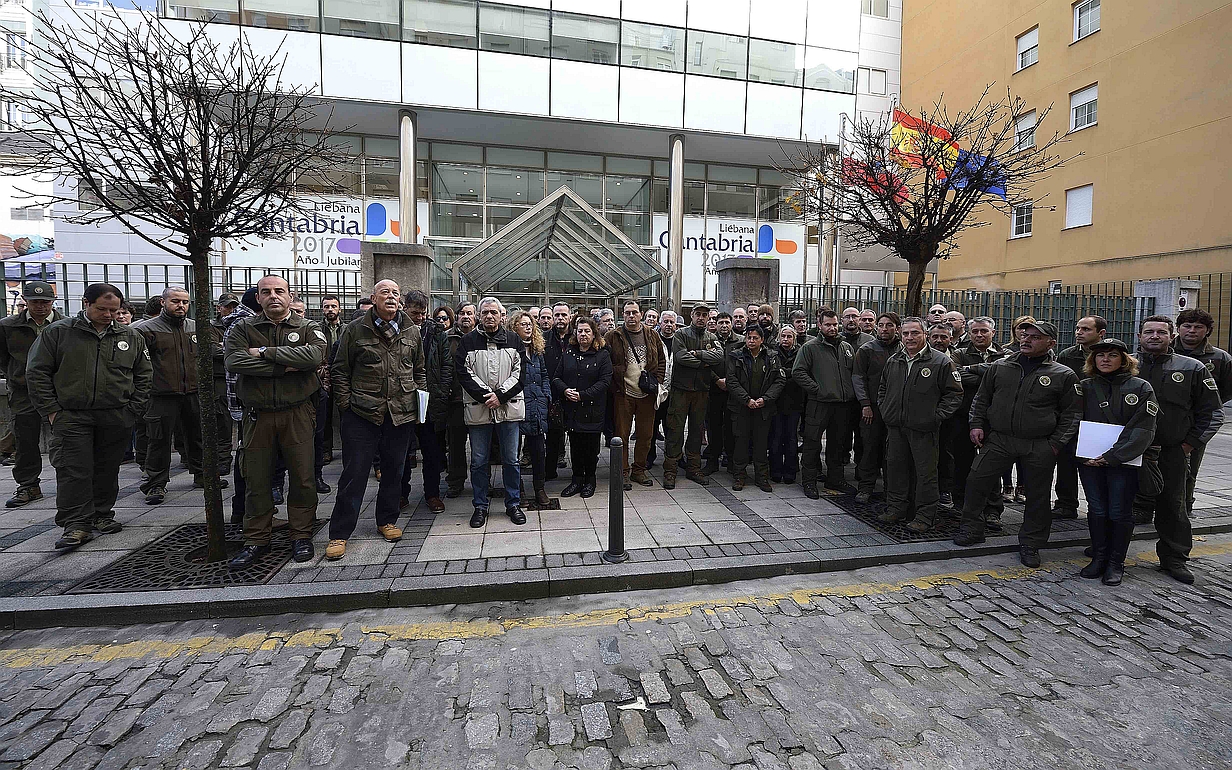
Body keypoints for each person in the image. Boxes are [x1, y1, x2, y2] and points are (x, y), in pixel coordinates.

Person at [26, 283, 151, 550]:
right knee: (74, 469)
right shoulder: (58, 333)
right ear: (86, 303)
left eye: (114, 310)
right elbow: (37, 373)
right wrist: (51, 411)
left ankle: (102, 514)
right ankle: (76, 524)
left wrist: (133, 409)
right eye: (102, 309)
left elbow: (144, 375)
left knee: (107, 468)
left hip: (116, 415)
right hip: (71, 415)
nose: (108, 315)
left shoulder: (130, 336)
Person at [953, 320, 1082, 567]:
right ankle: (972, 529)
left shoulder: (1063, 374)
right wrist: (976, 424)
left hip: (1039, 444)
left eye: (1035, 337)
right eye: (1025, 335)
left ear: (1050, 344)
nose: (1026, 339)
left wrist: (1055, 444)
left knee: (1037, 495)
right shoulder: (1000, 367)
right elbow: (982, 399)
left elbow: (1072, 414)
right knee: (977, 481)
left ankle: (1031, 542)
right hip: (999, 439)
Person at [224, 275, 326, 568]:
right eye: (265, 292)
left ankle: (301, 535)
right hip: (257, 415)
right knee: (256, 477)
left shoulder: (308, 326)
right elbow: (234, 361)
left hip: (298, 413)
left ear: (289, 295)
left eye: (279, 291)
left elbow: (314, 356)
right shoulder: (243, 328)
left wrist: (265, 354)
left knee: (303, 477)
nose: (273, 296)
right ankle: (256, 539)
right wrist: (285, 367)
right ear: (258, 298)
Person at [324, 280, 424, 561]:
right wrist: (346, 406)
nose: (391, 297)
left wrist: (418, 403)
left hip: (400, 413)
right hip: (362, 414)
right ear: (373, 298)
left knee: (394, 471)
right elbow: (340, 370)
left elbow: (420, 370)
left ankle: (387, 520)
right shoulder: (355, 329)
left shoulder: (411, 331)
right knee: (353, 475)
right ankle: (339, 533)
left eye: (395, 293)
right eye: (385, 292)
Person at [1131, 315, 1224, 584]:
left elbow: (1213, 413)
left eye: (1161, 332)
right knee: (1120, 502)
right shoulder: (1126, 365)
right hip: (1128, 450)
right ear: (1139, 337)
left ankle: (1174, 558)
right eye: (1149, 332)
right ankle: (1110, 552)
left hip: (1170, 451)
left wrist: (1189, 444)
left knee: (1173, 506)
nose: (1155, 336)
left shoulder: (1192, 367)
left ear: (1171, 336)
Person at [1075, 338, 1158, 586]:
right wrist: (1080, 454)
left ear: (1124, 359)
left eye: (1112, 355)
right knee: (1097, 509)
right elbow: (1071, 419)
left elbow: (1143, 428)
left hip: (1123, 462)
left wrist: (1113, 456)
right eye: (1100, 355)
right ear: (1093, 360)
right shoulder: (1085, 386)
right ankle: (1099, 558)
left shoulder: (1141, 387)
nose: (1105, 359)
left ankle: (1115, 563)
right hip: (1089, 462)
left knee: (1119, 511)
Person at [876, 317, 964, 532]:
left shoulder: (941, 361)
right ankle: (896, 508)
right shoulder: (894, 360)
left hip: (924, 429)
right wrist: (886, 410)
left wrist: (935, 417)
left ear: (925, 334)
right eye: (905, 333)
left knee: (926, 474)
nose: (909, 337)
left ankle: (925, 516)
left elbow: (954, 394)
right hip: (896, 427)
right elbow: (883, 389)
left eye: (914, 333)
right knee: (896, 468)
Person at [457, 297, 527, 528]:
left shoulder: (514, 339)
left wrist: (501, 396)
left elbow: (520, 373)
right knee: (478, 461)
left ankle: (513, 504)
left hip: (508, 408)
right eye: (485, 312)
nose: (489, 316)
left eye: (493, 312)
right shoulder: (467, 341)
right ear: (478, 315)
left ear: (501, 315)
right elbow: (464, 373)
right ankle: (480, 506)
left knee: (511, 460)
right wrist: (487, 396)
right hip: (479, 408)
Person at [133, 286, 205, 505]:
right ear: (163, 303)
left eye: (185, 302)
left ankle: (203, 475)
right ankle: (155, 484)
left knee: (198, 437)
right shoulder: (146, 329)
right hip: (160, 394)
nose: (181, 306)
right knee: (158, 440)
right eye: (175, 301)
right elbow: (137, 364)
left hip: (193, 392)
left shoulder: (196, 328)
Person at [0, 281, 64, 508]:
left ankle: (70, 484)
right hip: (23, 391)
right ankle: (28, 485)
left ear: (53, 302)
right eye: (35, 302)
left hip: (60, 389)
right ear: (25, 302)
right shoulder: (8, 326)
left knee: (67, 438)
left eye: (46, 302)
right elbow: (3, 357)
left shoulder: (65, 325)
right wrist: (15, 375)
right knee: (25, 439)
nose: (41, 307)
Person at [793, 308, 858, 498]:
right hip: (819, 404)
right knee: (812, 444)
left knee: (837, 445)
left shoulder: (846, 347)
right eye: (828, 324)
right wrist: (817, 389)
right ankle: (809, 481)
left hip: (842, 405)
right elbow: (798, 372)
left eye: (834, 324)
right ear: (819, 326)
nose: (832, 328)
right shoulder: (810, 348)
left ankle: (835, 478)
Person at [1174, 308, 1232, 515]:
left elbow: (1226, 390)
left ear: (1207, 331)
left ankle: (1185, 507)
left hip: (1196, 424)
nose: (1192, 331)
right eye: (1187, 326)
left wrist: (1205, 406)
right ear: (1178, 328)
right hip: (1164, 420)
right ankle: (1146, 506)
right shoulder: (1165, 350)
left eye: (1198, 327)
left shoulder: (1220, 358)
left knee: (1189, 469)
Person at [950, 317, 1008, 521]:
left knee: (992, 465)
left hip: (994, 418)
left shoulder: (1005, 354)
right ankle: (960, 504)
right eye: (975, 331)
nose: (979, 335)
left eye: (984, 331)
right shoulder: (960, 353)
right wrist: (989, 376)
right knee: (962, 463)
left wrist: (973, 372)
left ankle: (993, 510)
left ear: (993, 332)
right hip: (963, 416)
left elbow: (1006, 377)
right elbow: (955, 376)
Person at [606, 300, 665, 490]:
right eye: (627, 313)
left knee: (645, 435)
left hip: (646, 394)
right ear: (623, 315)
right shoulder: (613, 336)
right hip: (623, 393)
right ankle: (622, 472)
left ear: (641, 314)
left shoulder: (652, 334)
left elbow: (662, 360)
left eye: (634, 312)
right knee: (621, 436)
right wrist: (616, 377)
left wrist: (657, 381)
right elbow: (605, 362)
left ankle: (639, 470)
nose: (631, 316)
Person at [1053, 315, 1107, 520]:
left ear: (1100, 333)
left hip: (1097, 419)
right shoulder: (1067, 355)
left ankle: (1099, 506)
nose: (1079, 333)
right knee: (1065, 463)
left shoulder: (1109, 354)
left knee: (1095, 465)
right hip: (1070, 416)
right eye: (1078, 328)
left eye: (1085, 329)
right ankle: (1066, 504)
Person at [663, 304, 723, 489]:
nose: (701, 318)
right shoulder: (681, 334)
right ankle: (670, 470)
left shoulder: (712, 337)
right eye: (698, 314)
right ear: (692, 315)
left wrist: (697, 354)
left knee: (697, 431)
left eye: (705, 315)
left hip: (702, 391)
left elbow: (719, 356)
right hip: (681, 390)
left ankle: (693, 468)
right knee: (675, 429)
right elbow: (681, 357)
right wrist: (704, 362)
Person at [553, 316, 612, 498]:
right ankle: (577, 480)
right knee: (576, 447)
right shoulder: (569, 353)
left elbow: (605, 381)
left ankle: (590, 481)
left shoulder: (602, 354)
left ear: (594, 334)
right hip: (573, 410)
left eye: (587, 331)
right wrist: (565, 391)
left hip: (593, 410)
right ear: (575, 333)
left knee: (591, 449)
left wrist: (582, 395)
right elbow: (556, 377)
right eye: (580, 331)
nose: (583, 334)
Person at [726, 325, 784, 492]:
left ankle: (762, 477)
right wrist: (746, 400)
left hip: (763, 408)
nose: (751, 341)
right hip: (741, 407)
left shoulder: (772, 356)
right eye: (749, 337)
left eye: (755, 338)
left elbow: (779, 381)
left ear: (762, 340)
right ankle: (739, 476)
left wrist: (765, 400)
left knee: (761, 443)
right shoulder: (736, 356)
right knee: (741, 443)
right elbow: (731, 380)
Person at [405, 290, 448, 513]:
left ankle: (432, 494)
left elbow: (446, 364)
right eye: (415, 313)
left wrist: (440, 391)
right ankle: (401, 494)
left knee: (431, 452)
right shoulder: (396, 330)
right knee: (402, 452)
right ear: (405, 309)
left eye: (423, 313)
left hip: (430, 400)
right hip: (402, 400)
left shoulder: (436, 331)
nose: (420, 317)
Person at [851, 312, 902, 503]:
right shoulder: (866, 350)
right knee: (870, 448)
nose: (884, 329)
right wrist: (865, 404)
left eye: (889, 325)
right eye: (881, 325)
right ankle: (865, 487)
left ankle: (892, 490)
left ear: (897, 327)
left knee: (894, 452)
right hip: (872, 407)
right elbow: (858, 378)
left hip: (896, 409)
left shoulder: (903, 349)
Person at [510, 310, 551, 507]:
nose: (528, 326)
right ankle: (519, 491)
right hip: (516, 407)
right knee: (513, 453)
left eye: (530, 324)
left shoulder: (536, 351)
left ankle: (539, 488)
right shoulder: (510, 350)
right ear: (514, 327)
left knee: (538, 451)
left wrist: (545, 395)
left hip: (536, 407)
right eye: (523, 323)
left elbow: (544, 375)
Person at [702, 312, 743, 477]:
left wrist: (731, 382)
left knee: (732, 428)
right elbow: (704, 363)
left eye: (727, 322)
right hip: (713, 390)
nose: (724, 325)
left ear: (731, 323)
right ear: (715, 324)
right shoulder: (709, 340)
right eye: (721, 322)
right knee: (713, 426)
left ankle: (732, 461)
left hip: (733, 392)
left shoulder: (740, 342)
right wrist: (717, 380)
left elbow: (743, 365)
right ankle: (712, 461)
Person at [444, 302, 477, 497]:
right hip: (455, 399)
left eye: (469, 313)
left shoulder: (482, 338)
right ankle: (455, 482)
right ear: (456, 316)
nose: (466, 316)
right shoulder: (447, 339)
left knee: (480, 445)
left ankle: (481, 482)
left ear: (475, 317)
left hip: (478, 399)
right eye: (462, 313)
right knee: (456, 444)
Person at [769, 326, 803, 484]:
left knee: (791, 437)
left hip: (795, 401)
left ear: (794, 338)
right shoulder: (773, 353)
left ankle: (790, 470)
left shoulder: (800, 352)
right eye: (783, 336)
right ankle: (775, 469)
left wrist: (785, 373)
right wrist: (788, 373)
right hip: (776, 401)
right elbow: (773, 373)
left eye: (789, 336)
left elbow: (800, 373)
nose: (786, 339)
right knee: (776, 437)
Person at [841, 307, 873, 476]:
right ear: (842, 320)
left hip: (863, 396)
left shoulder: (869, 340)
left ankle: (861, 468)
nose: (851, 320)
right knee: (842, 433)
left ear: (860, 319)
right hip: (843, 396)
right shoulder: (836, 339)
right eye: (848, 317)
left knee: (863, 435)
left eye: (855, 316)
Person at [543, 302, 572, 481]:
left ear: (570, 317)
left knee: (576, 436)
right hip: (551, 394)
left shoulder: (578, 337)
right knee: (553, 435)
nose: (560, 318)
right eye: (557, 315)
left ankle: (579, 474)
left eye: (563, 315)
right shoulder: (543, 338)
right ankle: (550, 471)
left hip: (574, 393)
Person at [646, 310, 677, 470]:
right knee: (652, 425)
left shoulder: (680, 341)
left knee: (672, 428)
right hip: (656, 390)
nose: (669, 325)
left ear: (676, 325)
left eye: (672, 322)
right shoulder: (652, 340)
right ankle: (649, 456)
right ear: (660, 323)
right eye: (666, 321)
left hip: (674, 391)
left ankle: (673, 458)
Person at [317, 295, 344, 465]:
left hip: (341, 375)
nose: (330, 310)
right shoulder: (317, 329)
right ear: (322, 309)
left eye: (333, 306)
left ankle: (348, 448)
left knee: (345, 415)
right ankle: (326, 450)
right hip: (323, 377)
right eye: (326, 307)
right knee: (324, 415)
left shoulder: (347, 329)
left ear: (339, 309)